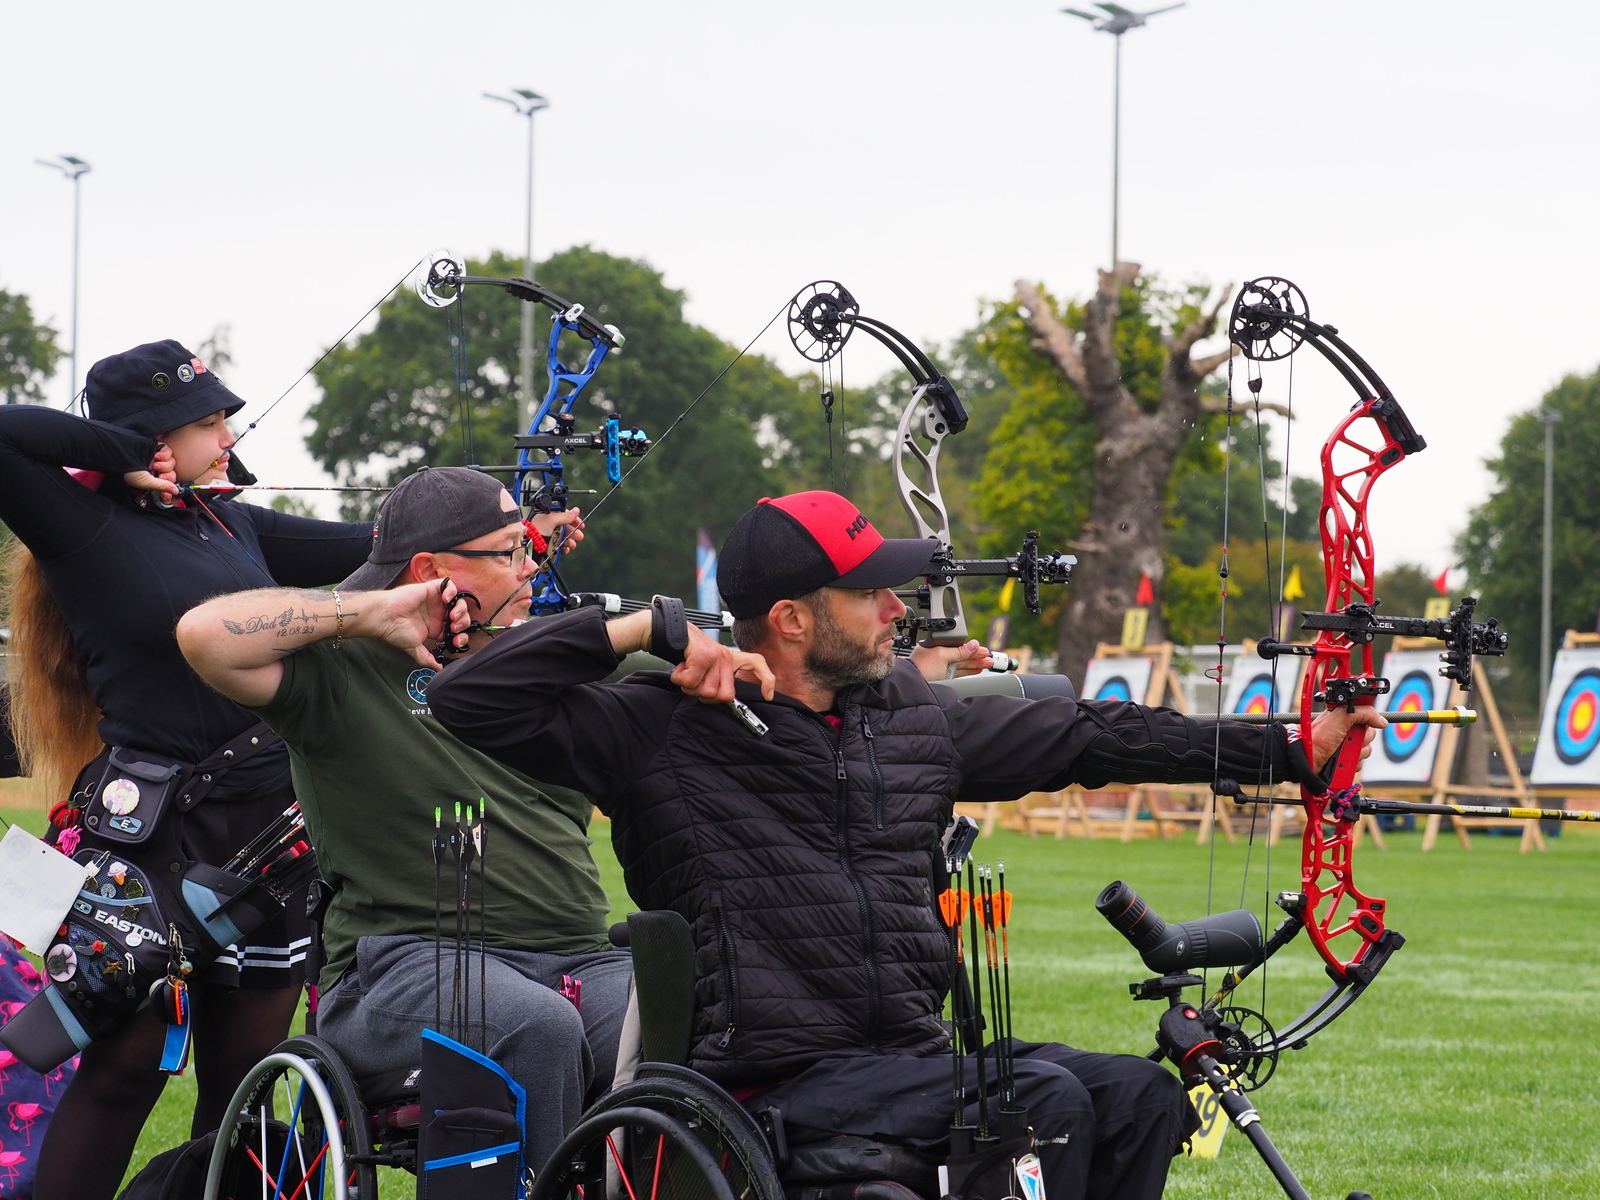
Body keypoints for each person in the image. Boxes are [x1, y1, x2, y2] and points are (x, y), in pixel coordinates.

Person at [421, 489, 1384, 1200]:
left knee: (1137, 1097)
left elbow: (1090, 735)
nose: (897, 606)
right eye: (871, 591)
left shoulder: (906, 715)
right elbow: (468, 699)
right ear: (792, 620)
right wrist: (646, 628)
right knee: (1040, 1101)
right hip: (760, 1086)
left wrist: (1293, 748)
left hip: (906, 1063)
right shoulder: (663, 724)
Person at [175, 466, 634, 1174]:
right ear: (429, 571)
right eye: (511, 550)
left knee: (685, 1011)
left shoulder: (548, 661)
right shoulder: (342, 666)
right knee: (538, 1026)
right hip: (403, 966)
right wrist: (364, 613)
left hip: (581, 958)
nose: (531, 567)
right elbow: (204, 635)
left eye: (529, 549)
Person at [0, 341, 377, 1200]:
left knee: (242, 1087)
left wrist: (502, 531)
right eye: (208, 420)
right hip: (149, 838)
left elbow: (375, 543)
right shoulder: (80, 523)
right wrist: (121, 459)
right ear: (156, 437)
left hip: (268, 836)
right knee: (124, 1068)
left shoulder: (232, 522)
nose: (227, 435)